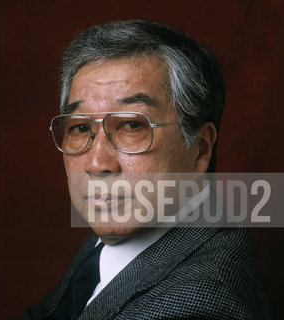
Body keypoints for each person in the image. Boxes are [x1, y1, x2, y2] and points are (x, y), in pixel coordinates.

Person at [21, 20, 270, 319]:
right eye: (81, 127)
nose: (98, 164)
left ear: (200, 149)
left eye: (132, 125)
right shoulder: (128, 226)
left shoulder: (198, 303)